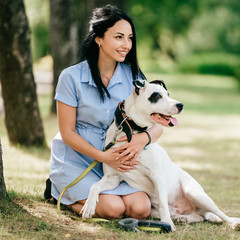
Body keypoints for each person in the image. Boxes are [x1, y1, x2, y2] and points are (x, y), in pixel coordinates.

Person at [47, 4, 163, 219]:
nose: (126, 44)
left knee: (140, 209)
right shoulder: (70, 77)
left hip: (116, 163)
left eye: (130, 38)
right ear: (99, 38)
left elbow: (157, 123)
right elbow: (67, 132)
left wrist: (142, 139)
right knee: (113, 209)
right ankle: (59, 193)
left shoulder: (134, 77)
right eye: (119, 37)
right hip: (79, 157)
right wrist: (103, 156)